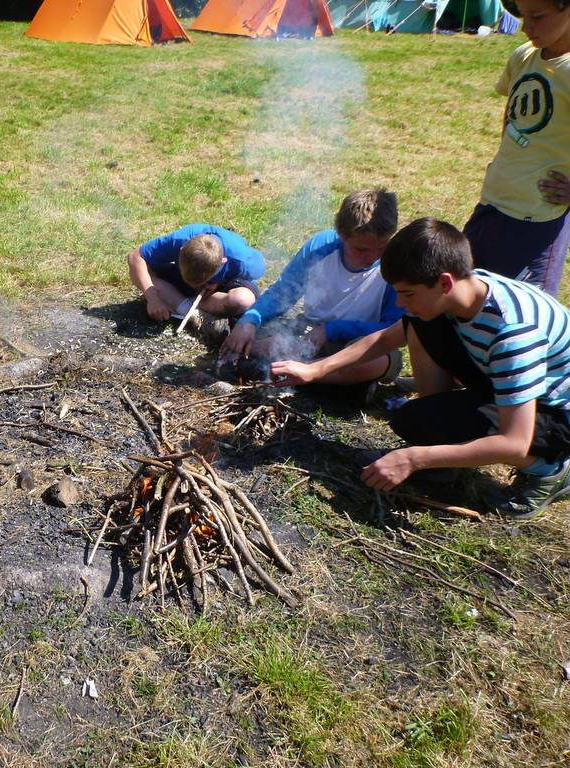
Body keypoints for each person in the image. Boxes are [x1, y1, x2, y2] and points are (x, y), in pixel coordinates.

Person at [272, 218, 570, 519]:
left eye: (408, 294)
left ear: (444, 282)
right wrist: (316, 370)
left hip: (555, 411)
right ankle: (442, 451)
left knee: (432, 425)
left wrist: (414, 458)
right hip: (506, 381)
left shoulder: (514, 334)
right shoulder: (463, 290)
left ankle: (550, 471)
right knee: (419, 331)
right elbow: (387, 338)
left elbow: (514, 442)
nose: (401, 303)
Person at [220, 189, 402, 396]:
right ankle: (339, 384)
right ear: (341, 234)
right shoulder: (321, 247)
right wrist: (250, 320)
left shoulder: (395, 263)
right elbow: (283, 294)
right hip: (308, 335)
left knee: (379, 362)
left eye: (380, 247)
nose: (371, 257)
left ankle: (295, 373)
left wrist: (332, 330)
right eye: (361, 249)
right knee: (263, 339)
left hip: (362, 342)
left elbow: (393, 329)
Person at [463, 0, 570, 295]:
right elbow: (511, 115)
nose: (525, 26)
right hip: (492, 203)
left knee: (521, 314)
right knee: (466, 296)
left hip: (538, 218)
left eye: (537, 16)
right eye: (522, 15)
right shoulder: (523, 56)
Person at [126, 224, 265, 335]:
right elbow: (135, 257)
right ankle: (191, 311)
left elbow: (260, 271)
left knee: (243, 299)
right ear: (181, 250)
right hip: (177, 279)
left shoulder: (242, 260)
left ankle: (183, 306)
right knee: (143, 269)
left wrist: (217, 283)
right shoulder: (179, 240)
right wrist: (152, 297)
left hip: (218, 288)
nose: (193, 286)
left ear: (223, 262)